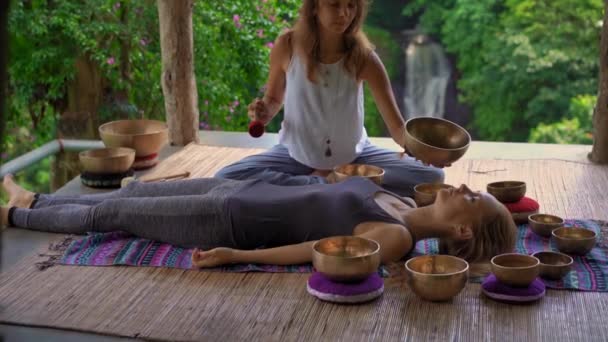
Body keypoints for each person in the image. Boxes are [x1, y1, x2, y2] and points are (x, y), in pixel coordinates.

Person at [1, 174, 516, 269]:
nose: (466, 188)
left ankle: (14, 214)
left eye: (471, 200)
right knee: (134, 191)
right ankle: (38, 197)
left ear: (463, 230)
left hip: (227, 219)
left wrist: (237, 256)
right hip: (239, 190)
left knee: (113, 213)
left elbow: (314, 250)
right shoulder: (400, 200)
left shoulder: (397, 237)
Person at [214, 0, 444, 197]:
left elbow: (396, 127)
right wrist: (263, 113)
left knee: (433, 176)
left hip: (355, 158)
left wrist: (422, 151)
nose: (344, 13)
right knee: (226, 177)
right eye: (334, 4)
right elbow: (273, 98)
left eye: (350, 5)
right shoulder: (287, 46)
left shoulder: (365, 58)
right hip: (295, 154)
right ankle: (326, 184)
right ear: (315, 6)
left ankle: (317, 187)